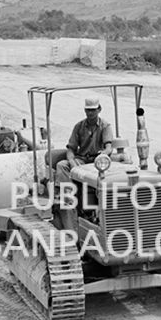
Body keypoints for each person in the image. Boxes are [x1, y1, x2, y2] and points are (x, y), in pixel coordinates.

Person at [54, 96, 114, 228]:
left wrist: (102, 155)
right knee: (61, 165)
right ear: (85, 111)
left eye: (93, 110)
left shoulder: (105, 126)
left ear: (99, 109)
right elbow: (71, 149)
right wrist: (72, 162)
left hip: (97, 161)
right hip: (82, 160)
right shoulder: (79, 127)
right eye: (88, 110)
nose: (90, 113)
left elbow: (108, 147)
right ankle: (67, 196)